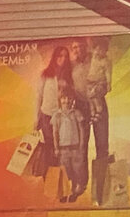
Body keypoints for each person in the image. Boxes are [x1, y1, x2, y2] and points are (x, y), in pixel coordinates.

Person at [69, 38, 110, 197]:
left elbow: (105, 82)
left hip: (98, 103)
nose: (78, 50)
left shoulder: (97, 59)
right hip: (80, 107)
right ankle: (81, 183)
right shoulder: (70, 65)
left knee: (102, 145)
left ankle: (101, 187)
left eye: (80, 46)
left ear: (86, 47)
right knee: (80, 147)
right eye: (75, 47)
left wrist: (99, 91)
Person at [34, 45, 72, 175]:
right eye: (60, 55)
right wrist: (36, 118)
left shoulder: (68, 76)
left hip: (62, 118)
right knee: (48, 146)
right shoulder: (46, 74)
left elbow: (70, 98)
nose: (63, 59)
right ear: (55, 57)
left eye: (65, 56)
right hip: (47, 115)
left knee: (60, 148)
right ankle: (48, 177)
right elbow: (39, 96)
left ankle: (58, 179)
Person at [50, 88, 87, 202]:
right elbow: (55, 133)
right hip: (63, 149)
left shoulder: (76, 113)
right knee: (64, 172)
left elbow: (81, 130)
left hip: (75, 148)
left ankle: (75, 192)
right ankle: (63, 194)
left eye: (69, 98)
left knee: (77, 170)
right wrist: (56, 148)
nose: (66, 101)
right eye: (63, 98)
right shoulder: (57, 115)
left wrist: (81, 145)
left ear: (73, 100)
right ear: (59, 100)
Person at [85, 38, 112, 122]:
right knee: (90, 98)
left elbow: (108, 73)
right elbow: (90, 46)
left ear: (106, 51)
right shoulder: (93, 57)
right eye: (97, 49)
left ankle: (99, 110)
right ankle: (93, 113)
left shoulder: (106, 61)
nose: (98, 52)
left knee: (95, 95)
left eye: (101, 50)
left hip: (100, 82)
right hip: (90, 82)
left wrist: (108, 84)